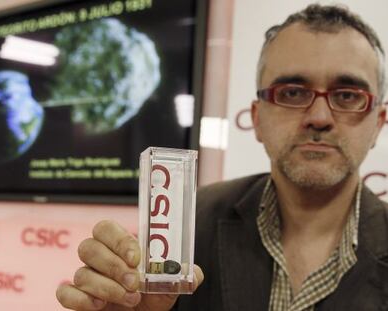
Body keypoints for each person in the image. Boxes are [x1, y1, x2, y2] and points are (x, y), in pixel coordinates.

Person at [56, 4, 388, 310]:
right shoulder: (190, 222)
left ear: (378, 123)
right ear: (256, 118)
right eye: (292, 93)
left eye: (348, 95)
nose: (319, 117)